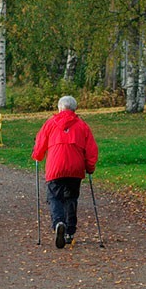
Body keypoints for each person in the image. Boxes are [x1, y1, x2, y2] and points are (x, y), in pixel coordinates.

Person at [32, 96, 98, 248]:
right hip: (75, 168)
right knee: (71, 198)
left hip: (55, 167)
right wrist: (90, 167)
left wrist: (37, 155)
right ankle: (69, 232)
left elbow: (40, 143)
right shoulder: (82, 126)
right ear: (75, 109)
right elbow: (91, 150)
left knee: (55, 197)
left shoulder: (50, 124)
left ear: (60, 108)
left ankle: (58, 222)